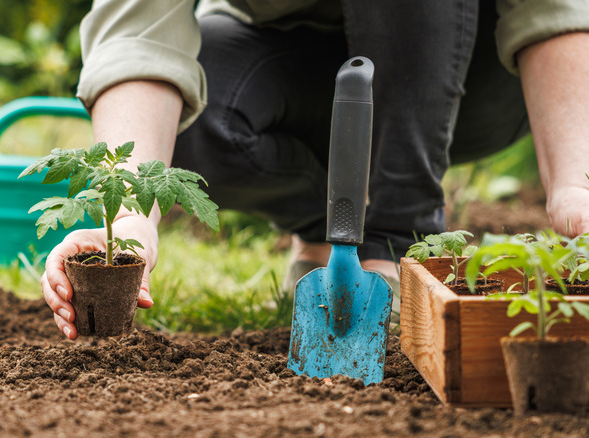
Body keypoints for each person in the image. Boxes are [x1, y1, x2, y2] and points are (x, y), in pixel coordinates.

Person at [42, 0, 589, 340]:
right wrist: (135, 220)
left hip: (474, 74)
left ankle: (395, 239)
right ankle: (333, 235)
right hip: (294, 61)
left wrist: (574, 184)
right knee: (201, 119)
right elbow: (138, 34)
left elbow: (557, 11)